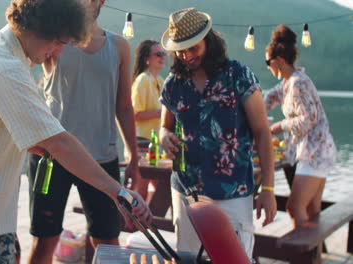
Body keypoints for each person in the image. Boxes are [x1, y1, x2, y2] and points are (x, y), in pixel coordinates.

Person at [0, 0, 152, 263]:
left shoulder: (5, 52)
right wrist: (119, 192)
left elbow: (22, 133)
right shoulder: (2, 66)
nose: (59, 53)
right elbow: (59, 143)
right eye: (60, 43)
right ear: (41, 29)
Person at [26, 0, 142, 263]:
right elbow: (21, 73)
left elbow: (124, 107)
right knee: (44, 241)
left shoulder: (119, 46)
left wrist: (134, 157)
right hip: (53, 156)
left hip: (101, 157)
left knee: (108, 242)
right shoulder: (55, 39)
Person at [158, 8, 277, 258]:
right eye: (180, 49)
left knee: (234, 260)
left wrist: (268, 189)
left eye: (193, 48)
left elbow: (263, 133)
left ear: (208, 42)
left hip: (232, 193)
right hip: (186, 191)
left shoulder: (239, 76)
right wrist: (163, 136)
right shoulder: (173, 83)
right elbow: (164, 126)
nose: (186, 55)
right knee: (188, 258)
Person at [264, 25, 336, 227]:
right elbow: (266, 101)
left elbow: (308, 120)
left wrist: (280, 125)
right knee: (312, 211)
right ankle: (314, 258)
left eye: (267, 62)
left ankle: (301, 255)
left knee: (294, 208)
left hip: (315, 153)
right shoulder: (287, 83)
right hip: (316, 152)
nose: (267, 66)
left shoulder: (298, 83)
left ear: (279, 61)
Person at [129, 39, 166, 199]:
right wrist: (161, 113)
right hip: (141, 141)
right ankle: (132, 223)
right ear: (146, 59)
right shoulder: (142, 80)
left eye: (163, 53)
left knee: (161, 188)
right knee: (141, 189)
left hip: (155, 142)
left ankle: (146, 222)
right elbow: (134, 115)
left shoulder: (160, 81)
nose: (162, 57)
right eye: (158, 54)